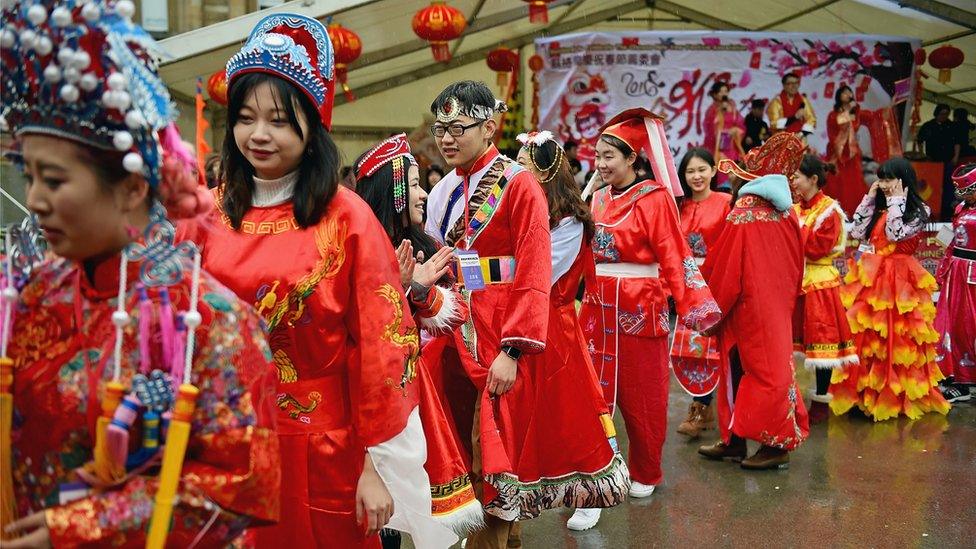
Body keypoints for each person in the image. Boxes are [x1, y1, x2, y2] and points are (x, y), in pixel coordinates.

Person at [0, 1, 278, 546]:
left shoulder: (212, 321)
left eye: (54, 181)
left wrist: (78, 529)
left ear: (131, 187)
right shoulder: (31, 295)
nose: (34, 200)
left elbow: (240, 483)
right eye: (28, 176)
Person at [178, 14, 453, 548]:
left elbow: (383, 346)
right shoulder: (206, 217)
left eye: (279, 120)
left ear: (312, 124)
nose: (258, 134)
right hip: (225, 445)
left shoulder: (345, 217)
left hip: (325, 450)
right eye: (245, 117)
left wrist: (375, 464)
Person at [422, 82, 628, 548]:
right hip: (455, 324)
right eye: (441, 128)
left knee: (493, 445)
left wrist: (514, 348)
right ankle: (505, 538)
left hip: (500, 331)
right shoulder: (444, 191)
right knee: (457, 436)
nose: (447, 138)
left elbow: (535, 271)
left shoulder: (518, 185)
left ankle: (492, 539)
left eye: (458, 128)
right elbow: (436, 257)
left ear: (489, 127)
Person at [579, 108, 721, 496]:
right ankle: (595, 473)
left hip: (639, 308)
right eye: (598, 155)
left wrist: (695, 307)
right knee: (592, 394)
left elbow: (675, 254)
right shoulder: (595, 198)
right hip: (596, 307)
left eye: (610, 156)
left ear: (632, 159)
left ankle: (646, 470)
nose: (602, 163)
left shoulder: (655, 199)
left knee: (643, 396)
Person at [514, 131, 628, 533]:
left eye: (525, 165)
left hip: (554, 328)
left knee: (575, 413)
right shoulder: (527, 211)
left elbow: (541, 276)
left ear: (544, 173)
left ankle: (591, 492)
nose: (518, 172)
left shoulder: (567, 222)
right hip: (522, 320)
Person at [697, 132, 809, 470]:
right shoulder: (788, 213)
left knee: (744, 371)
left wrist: (709, 308)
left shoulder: (745, 210)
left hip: (747, 307)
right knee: (772, 370)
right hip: (776, 304)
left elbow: (727, 265)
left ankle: (767, 443)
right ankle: (739, 439)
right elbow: (797, 263)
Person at [831, 158, 950, 421]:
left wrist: (896, 201)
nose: (883, 184)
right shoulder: (879, 205)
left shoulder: (919, 211)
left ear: (903, 180)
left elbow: (896, 234)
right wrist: (870, 198)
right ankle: (863, 395)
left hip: (901, 281)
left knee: (897, 341)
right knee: (868, 340)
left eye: (888, 179)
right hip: (872, 277)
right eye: (881, 179)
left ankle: (891, 399)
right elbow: (858, 230)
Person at [789, 155, 859, 424]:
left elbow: (817, 247)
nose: (793, 181)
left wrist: (793, 235)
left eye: (797, 176)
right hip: (796, 281)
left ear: (813, 179)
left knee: (822, 343)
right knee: (792, 342)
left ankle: (820, 401)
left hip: (819, 283)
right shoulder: (795, 209)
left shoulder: (831, 211)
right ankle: (791, 398)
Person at [672, 148, 732, 439]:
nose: (696, 176)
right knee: (688, 347)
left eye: (702, 169)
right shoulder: (678, 206)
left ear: (712, 170)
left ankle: (707, 407)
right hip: (685, 285)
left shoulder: (726, 203)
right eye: (690, 171)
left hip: (715, 284)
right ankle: (702, 407)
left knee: (712, 348)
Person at [935, 164, 976, 402]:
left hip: (972, 271)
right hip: (956, 270)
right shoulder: (960, 208)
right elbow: (949, 239)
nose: (966, 197)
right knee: (953, 323)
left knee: (970, 323)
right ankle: (958, 377)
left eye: (969, 191)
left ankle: (968, 377)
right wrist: (942, 269)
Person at [825, 85, 874, 216]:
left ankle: (855, 211)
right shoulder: (833, 114)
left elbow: (870, 117)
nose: (848, 94)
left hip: (852, 153)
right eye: (844, 92)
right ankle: (834, 212)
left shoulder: (855, 113)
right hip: (837, 153)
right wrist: (851, 111)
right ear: (839, 96)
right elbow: (839, 124)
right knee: (837, 181)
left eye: (849, 92)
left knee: (854, 181)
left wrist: (888, 108)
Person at [918, 104, 962, 221]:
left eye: (947, 114)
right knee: (932, 185)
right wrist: (922, 155)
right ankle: (930, 209)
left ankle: (947, 210)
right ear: (937, 113)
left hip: (948, 161)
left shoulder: (952, 126)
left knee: (949, 186)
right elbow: (919, 141)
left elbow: (957, 143)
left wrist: (956, 157)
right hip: (932, 161)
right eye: (942, 114)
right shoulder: (928, 126)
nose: (944, 116)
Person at [702, 81, 745, 189]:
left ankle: (731, 194)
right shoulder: (712, 110)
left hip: (730, 146)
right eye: (720, 92)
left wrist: (736, 130)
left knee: (732, 172)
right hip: (716, 147)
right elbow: (708, 128)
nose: (723, 94)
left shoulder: (732, 108)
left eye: (725, 91)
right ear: (715, 94)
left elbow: (741, 125)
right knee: (721, 171)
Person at [767, 72, 816, 136]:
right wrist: (794, 117)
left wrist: (801, 134)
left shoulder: (803, 100)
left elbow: (812, 119)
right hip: (782, 140)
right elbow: (774, 123)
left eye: (796, 83)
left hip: (800, 139)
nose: (794, 86)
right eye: (790, 83)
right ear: (784, 85)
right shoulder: (777, 102)